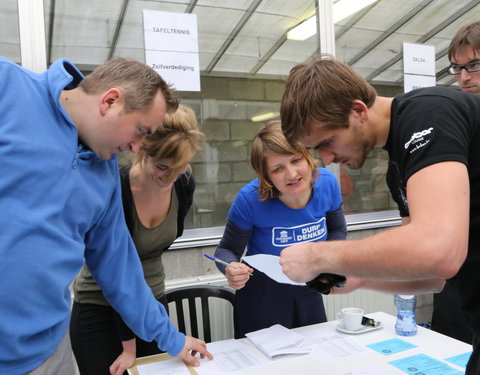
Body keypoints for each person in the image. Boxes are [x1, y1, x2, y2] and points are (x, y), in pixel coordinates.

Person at [0, 56, 212, 375]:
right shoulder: (9, 87)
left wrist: (172, 338)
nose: (136, 147)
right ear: (110, 101)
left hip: (46, 352)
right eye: (140, 131)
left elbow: (120, 270)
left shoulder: (106, 175)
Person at [279, 55, 480, 374]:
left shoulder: (428, 113)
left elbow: (439, 251)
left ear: (358, 111)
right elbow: (434, 275)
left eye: (328, 142)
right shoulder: (398, 165)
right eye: (318, 150)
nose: (328, 158)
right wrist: (361, 278)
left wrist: (320, 255)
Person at [70, 104, 206, 375]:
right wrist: (129, 345)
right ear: (141, 148)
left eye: (181, 167)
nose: (171, 177)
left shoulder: (183, 183)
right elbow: (116, 271)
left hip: (152, 306)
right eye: (163, 167)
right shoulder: (117, 190)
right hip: (101, 310)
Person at [214, 121, 347, 338]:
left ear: (307, 156)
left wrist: (327, 261)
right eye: (278, 168)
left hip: (309, 288)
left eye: (296, 160)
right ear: (266, 176)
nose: (292, 174)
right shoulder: (250, 200)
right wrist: (230, 268)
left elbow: (338, 230)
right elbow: (226, 250)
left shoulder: (328, 184)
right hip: (262, 296)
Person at [425, 20, 480, 344]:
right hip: (457, 277)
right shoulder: (456, 120)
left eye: (473, 65)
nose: (463, 77)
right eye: (456, 68)